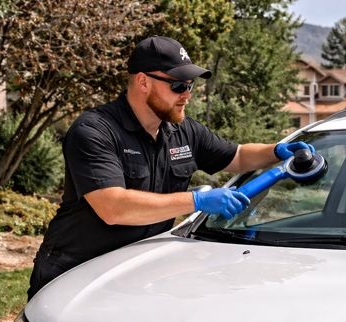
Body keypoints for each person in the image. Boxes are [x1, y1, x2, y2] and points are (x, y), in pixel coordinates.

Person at [27, 36, 313, 300]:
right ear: (143, 82)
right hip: (75, 270)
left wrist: (275, 151)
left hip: (138, 268)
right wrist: (197, 200)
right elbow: (112, 207)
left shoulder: (183, 131)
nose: (187, 94)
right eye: (178, 84)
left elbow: (236, 156)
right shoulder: (95, 131)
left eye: (190, 85)